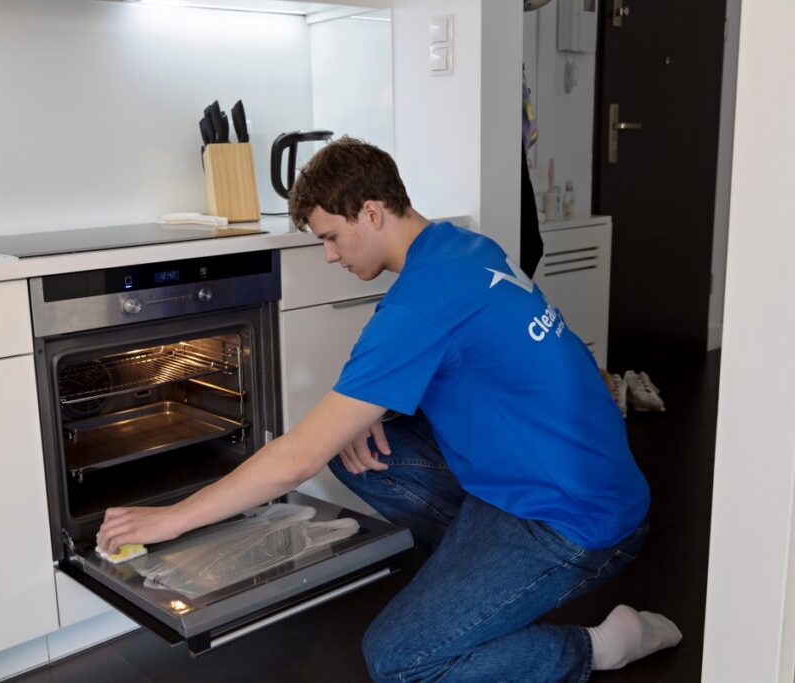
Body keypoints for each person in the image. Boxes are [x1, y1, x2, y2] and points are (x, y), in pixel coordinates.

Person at [97, 138, 682, 681]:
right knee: (357, 455)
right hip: (572, 475)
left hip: (576, 521)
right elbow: (428, 346)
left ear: (371, 213)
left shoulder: (420, 307)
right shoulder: (460, 247)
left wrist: (168, 520)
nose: (328, 256)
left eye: (330, 236)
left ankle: (598, 645)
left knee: (402, 660)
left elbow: (297, 458)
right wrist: (367, 411)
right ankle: (476, 585)